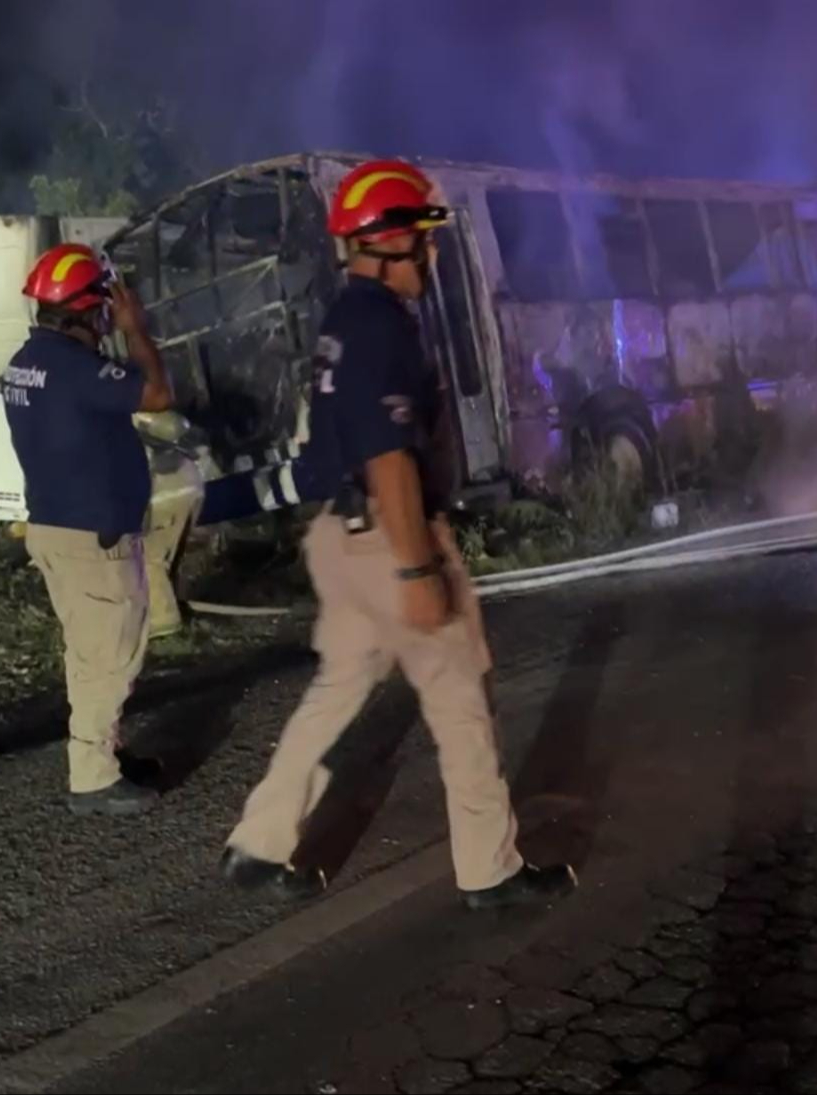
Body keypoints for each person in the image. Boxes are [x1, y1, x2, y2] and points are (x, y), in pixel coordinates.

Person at [221, 161, 578, 909]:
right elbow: (390, 456)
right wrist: (420, 570)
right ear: (390, 244)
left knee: (335, 691)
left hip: (340, 543)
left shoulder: (342, 321)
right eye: (424, 240)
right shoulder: (384, 328)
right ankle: (492, 871)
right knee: (460, 703)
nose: (434, 256)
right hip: (393, 541)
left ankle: (259, 842)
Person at [3, 243, 173, 817]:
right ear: (89, 310)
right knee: (111, 657)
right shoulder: (75, 368)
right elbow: (156, 393)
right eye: (105, 307)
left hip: (56, 532)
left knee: (87, 653)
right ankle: (94, 777)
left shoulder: (26, 362)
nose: (110, 317)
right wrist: (136, 330)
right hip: (90, 541)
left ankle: (103, 754)